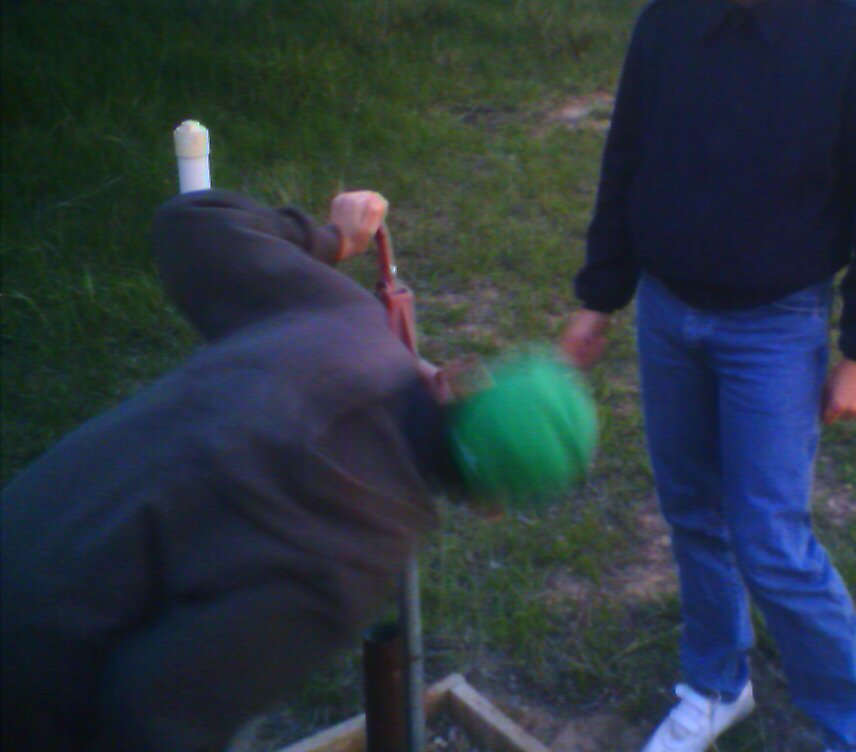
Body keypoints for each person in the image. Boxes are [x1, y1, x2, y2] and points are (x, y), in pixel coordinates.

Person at [1, 188, 595, 752]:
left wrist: (333, 237)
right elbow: (155, 719)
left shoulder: (342, 318)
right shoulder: (346, 561)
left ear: (463, 379)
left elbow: (191, 226)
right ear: (488, 503)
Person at [561, 0, 856, 752]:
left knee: (769, 536)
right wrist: (599, 300)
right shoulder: (666, 26)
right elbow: (626, 167)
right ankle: (717, 686)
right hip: (671, 319)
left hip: (777, 325)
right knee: (690, 512)